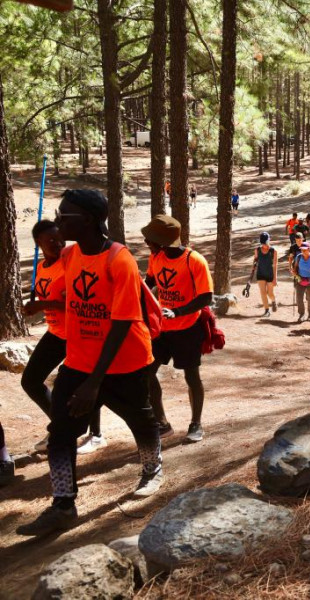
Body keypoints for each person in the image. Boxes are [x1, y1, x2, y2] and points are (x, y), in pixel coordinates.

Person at [16, 189, 162, 536]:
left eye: (64, 216)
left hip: (124, 361)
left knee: (141, 420)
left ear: (89, 221)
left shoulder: (119, 260)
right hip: (80, 360)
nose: (57, 221)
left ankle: (152, 467)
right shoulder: (69, 255)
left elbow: (122, 321)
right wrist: (42, 302)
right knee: (61, 432)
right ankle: (63, 504)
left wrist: (94, 383)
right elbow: (66, 292)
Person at [21, 220, 108, 456]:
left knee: (83, 384)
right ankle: (60, 426)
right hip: (57, 333)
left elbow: (75, 301)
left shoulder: (70, 263)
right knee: (30, 381)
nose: (58, 243)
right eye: (50, 241)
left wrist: (42, 304)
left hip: (79, 333)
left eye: (60, 238)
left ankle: (96, 434)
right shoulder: (42, 267)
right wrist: (35, 306)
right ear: (38, 244)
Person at [143, 215, 214, 443]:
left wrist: (178, 311)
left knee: (192, 376)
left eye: (150, 239)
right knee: (146, 372)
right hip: (162, 329)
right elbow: (150, 282)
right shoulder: (156, 257)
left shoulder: (194, 260)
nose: (147, 243)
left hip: (188, 328)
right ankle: (162, 423)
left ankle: (196, 423)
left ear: (163, 241)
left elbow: (206, 297)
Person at [251, 232, 278, 317]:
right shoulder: (257, 250)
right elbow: (255, 260)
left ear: (269, 241)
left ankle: (273, 301)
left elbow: (275, 265)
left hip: (270, 275)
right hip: (260, 274)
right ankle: (267, 310)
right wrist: (254, 265)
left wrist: (275, 278)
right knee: (263, 293)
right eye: (263, 243)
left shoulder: (273, 251)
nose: (264, 245)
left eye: (265, 243)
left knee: (270, 293)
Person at [293, 242, 310, 323]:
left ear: (308, 249)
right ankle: (301, 315)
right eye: (301, 249)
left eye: (304, 250)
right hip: (300, 280)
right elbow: (295, 267)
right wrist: (294, 273)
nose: (303, 251)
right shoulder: (298, 257)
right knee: (299, 298)